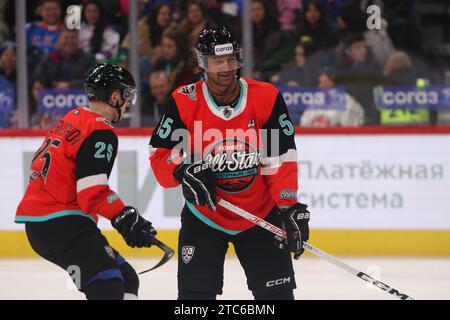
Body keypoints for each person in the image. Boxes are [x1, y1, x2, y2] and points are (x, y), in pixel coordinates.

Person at [149, 26, 310, 300]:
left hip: (260, 216)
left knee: (277, 298)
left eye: (232, 59)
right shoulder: (184, 100)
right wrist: (182, 170)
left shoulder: (266, 97)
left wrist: (288, 206)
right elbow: (160, 156)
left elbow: (280, 159)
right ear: (202, 63)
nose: (226, 67)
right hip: (205, 217)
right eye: (217, 60)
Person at [15, 64, 158, 300]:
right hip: (63, 224)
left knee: (126, 280)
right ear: (115, 96)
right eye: (126, 96)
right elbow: (91, 191)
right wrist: (123, 216)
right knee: (108, 286)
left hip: (41, 224)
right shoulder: (101, 131)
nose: (127, 103)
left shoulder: (73, 117)